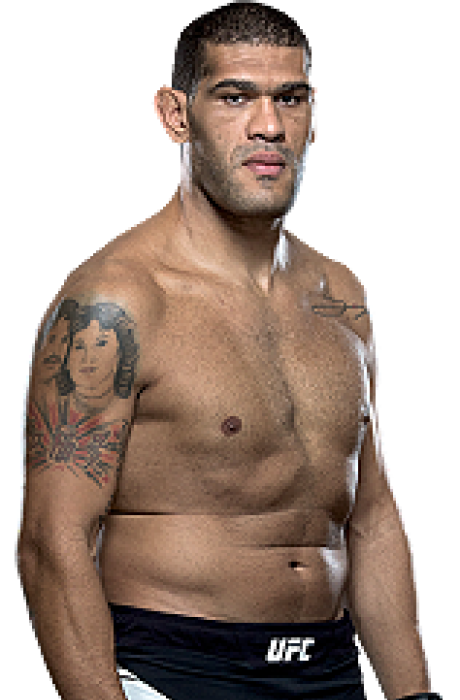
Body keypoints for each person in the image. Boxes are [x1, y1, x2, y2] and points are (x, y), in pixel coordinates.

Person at [19, 2, 437, 699]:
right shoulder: (117, 302)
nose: (268, 125)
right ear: (175, 115)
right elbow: (51, 544)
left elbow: (368, 520)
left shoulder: (339, 296)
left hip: (331, 669)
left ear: (313, 113)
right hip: (175, 670)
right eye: (235, 97)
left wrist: (415, 696)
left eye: (289, 98)